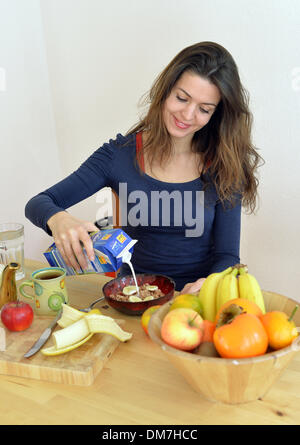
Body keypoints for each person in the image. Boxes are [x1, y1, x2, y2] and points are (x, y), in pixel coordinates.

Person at [25, 41, 263, 293]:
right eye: (182, 98)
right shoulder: (119, 155)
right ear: (166, 91)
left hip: (195, 304)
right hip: (133, 297)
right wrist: (59, 219)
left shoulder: (225, 165)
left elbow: (227, 255)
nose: (188, 115)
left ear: (217, 114)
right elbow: (39, 202)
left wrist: (209, 284)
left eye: (204, 109)